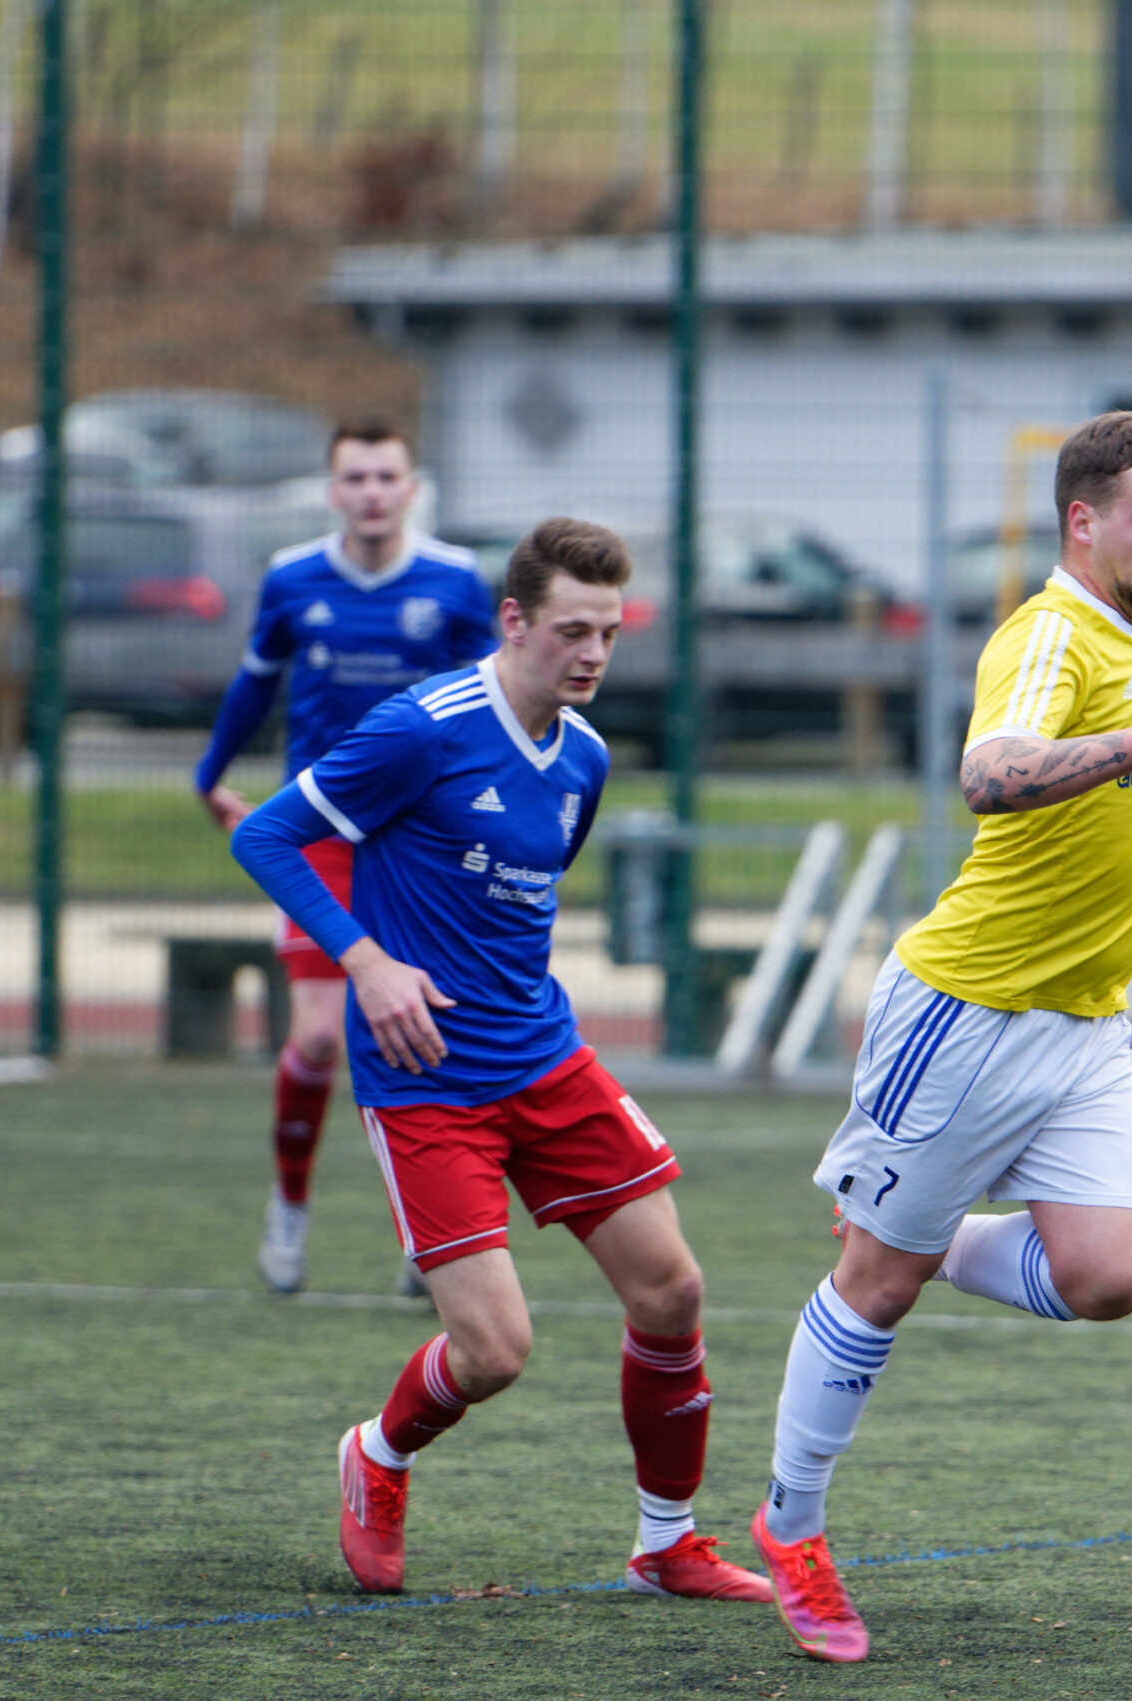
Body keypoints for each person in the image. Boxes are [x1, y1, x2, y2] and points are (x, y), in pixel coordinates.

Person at [748, 412, 1132, 1663]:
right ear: (1079, 521)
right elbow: (992, 770)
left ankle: (929, 1234)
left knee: (1109, 1281)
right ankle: (792, 1529)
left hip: (1082, 1029)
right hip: (969, 1016)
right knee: (875, 1286)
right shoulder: (1043, 634)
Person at [228, 518, 770, 1605]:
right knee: (494, 1353)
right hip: (427, 1082)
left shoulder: (586, 755)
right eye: (573, 630)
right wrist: (367, 964)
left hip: (544, 1060)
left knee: (671, 1289)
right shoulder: (421, 729)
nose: (593, 655)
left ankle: (667, 1543)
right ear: (514, 620)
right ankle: (377, 1455)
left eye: (610, 634)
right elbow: (268, 836)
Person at [196, 417, 496, 1298]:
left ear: (410, 488)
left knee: (427, 1033)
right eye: (354, 477)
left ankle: (431, 1229)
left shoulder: (453, 583)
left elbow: (487, 705)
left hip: (424, 841)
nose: (370, 492)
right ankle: (290, 1209)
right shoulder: (293, 578)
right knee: (322, 1036)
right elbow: (256, 682)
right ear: (333, 490)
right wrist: (209, 775)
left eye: (385, 477)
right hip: (321, 833)